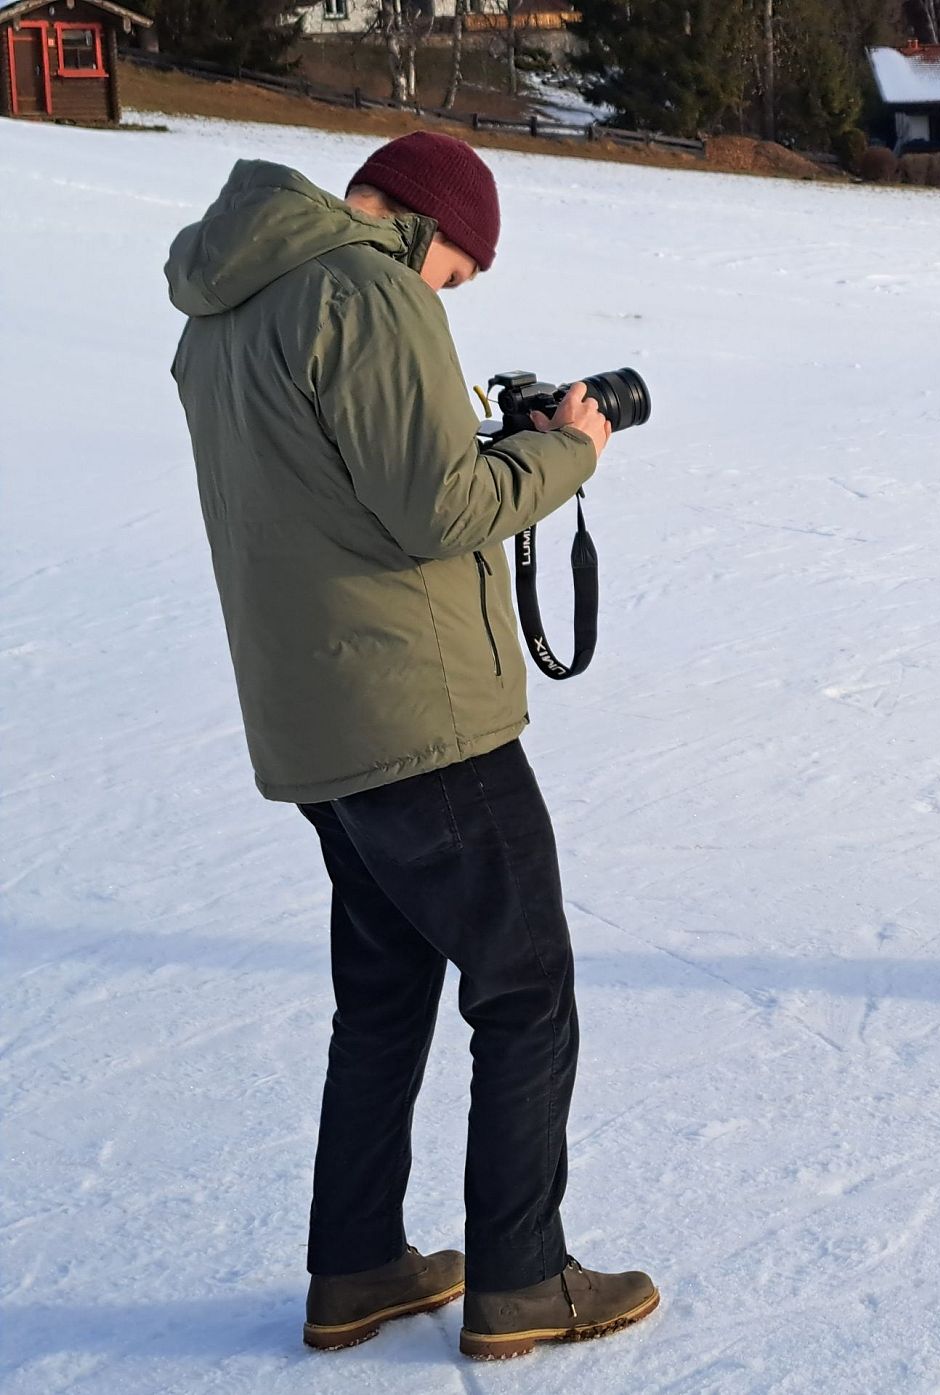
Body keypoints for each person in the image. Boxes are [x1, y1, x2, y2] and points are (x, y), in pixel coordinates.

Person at [166, 131, 658, 1359]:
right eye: (458, 278)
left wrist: (502, 446)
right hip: (423, 715)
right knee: (525, 988)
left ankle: (358, 1267)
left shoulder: (226, 310)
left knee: (384, 999)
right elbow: (437, 510)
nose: (448, 297)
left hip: (316, 715)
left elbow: (345, 496)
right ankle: (521, 1279)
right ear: (426, 227)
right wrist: (568, 448)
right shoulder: (365, 288)